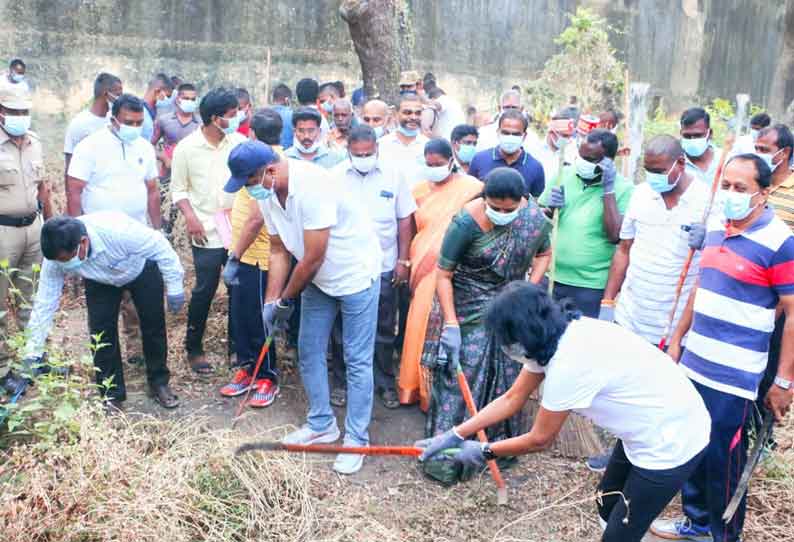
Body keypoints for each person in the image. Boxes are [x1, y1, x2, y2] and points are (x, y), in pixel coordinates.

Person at [417, 282, 711, 542]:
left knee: (620, 532)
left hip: (671, 440)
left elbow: (539, 439)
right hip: (648, 426)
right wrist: (454, 434)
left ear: (523, 335)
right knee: (606, 504)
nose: (505, 347)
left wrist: (484, 451)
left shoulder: (569, 365)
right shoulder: (552, 336)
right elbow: (512, 398)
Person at [652, 154, 794, 542]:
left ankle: (723, 535)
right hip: (695, 361)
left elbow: (792, 313)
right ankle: (697, 523)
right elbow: (703, 286)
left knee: (723, 461)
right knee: (693, 445)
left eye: (740, 188)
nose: (730, 194)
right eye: (726, 186)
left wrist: (784, 380)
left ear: (763, 194)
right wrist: (678, 339)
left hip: (734, 375)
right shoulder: (718, 227)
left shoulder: (779, 242)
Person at [223, 141, 382, 475]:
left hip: (354, 276)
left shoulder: (313, 187)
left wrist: (285, 301)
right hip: (319, 282)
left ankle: (356, 438)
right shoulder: (267, 194)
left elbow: (312, 256)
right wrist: (272, 300)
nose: (250, 191)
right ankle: (322, 423)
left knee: (356, 359)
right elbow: (280, 250)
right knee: (308, 351)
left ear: (270, 170)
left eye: (250, 182)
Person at [426, 168, 551, 443]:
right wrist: (450, 324)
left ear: (523, 201)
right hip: (468, 307)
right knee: (463, 377)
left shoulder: (532, 218)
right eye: (495, 208)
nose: (503, 215)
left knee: (508, 374)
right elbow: (444, 274)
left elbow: (544, 252)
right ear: (485, 199)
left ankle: (495, 447)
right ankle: (449, 450)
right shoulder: (465, 223)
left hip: (511, 310)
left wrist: (529, 286)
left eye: (510, 210)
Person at [24, 213, 185, 409]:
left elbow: (161, 247)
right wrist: (32, 351)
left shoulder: (119, 231)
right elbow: (44, 302)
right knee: (101, 335)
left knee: (153, 325)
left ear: (83, 242)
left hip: (139, 268)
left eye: (66, 260)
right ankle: (111, 395)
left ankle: (159, 383)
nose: (63, 265)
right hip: (99, 280)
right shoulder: (55, 259)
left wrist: (175, 286)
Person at [66, 94, 161, 366]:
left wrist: (157, 231)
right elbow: (74, 191)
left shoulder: (143, 147)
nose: (135, 127)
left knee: (141, 304)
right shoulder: (90, 147)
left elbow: (152, 191)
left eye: (139, 122)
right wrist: (76, 237)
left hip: (137, 238)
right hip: (99, 241)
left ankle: (137, 348)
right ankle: (109, 378)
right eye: (129, 122)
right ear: (113, 120)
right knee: (103, 311)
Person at [331, 125, 417, 409]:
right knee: (343, 328)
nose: (363, 158)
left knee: (383, 327)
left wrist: (403, 261)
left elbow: (405, 219)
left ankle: (383, 382)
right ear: (349, 151)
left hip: (383, 264)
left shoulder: (394, 176)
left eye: (368, 153)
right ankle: (342, 382)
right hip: (347, 266)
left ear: (377, 150)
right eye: (358, 154)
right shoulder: (336, 177)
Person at [599, 135, 712, 345]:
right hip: (628, 320)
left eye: (659, 172)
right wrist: (607, 302)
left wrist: (710, 243)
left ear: (680, 163)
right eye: (648, 170)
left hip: (673, 329)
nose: (652, 177)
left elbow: (715, 264)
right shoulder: (641, 194)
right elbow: (624, 249)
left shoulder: (708, 202)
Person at [398, 139, 483, 408]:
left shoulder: (472, 188)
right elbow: (411, 227)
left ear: (451, 161)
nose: (433, 168)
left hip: (455, 267)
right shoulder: (418, 190)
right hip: (421, 266)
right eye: (429, 164)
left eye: (438, 164)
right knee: (417, 325)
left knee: (445, 328)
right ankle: (413, 387)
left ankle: (439, 395)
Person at [171, 87, 247, 374]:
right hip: (204, 229)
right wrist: (190, 218)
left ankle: (236, 349)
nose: (237, 118)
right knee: (205, 288)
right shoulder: (187, 149)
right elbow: (179, 190)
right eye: (231, 114)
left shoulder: (238, 143)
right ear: (215, 118)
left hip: (236, 228)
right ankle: (194, 348)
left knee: (237, 288)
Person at [538, 129, 633, 317]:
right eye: (581, 156)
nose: (583, 163)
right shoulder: (562, 174)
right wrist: (549, 208)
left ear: (608, 162)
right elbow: (538, 218)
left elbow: (615, 234)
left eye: (590, 159)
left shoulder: (625, 189)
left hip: (590, 286)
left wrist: (608, 190)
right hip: (551, 277)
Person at [219, 140, 279, 408]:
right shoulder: (251, 180)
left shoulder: (269, 183)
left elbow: (255, 221)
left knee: (259, 320)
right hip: (241, 255)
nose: (245, 184)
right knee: (240, 318)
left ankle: (266, 376)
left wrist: (234, 257)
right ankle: (246, 369)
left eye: (247, 179)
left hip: (259, 258)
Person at [0, 83, 51, 376]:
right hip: (2, 233)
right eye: (13, 111)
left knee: (31, 299)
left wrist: (53, 225)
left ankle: (34, 358)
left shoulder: (35, 142)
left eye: (24, 111)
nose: (20, 116)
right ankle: (3, 369)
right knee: (0, 305)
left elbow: (42, 187)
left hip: (33, 229)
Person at [468, 109, 545, 198]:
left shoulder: (535, 167)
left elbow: (536, 203)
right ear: (498, 132)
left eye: (516, 134)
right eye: (506, 133)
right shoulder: (479, 159)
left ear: (524, 136)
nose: (510, 137)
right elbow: (470, 194)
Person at [63, 73, 122, 188]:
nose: (121, 100)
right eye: (118, 95)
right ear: (106, 94)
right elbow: (70, 168)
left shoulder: (115, 121)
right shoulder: (79, 124)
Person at [151, 82, 201, 183]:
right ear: (178, 99)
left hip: (192, 177)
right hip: (167, 176)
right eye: (186, 98)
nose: (190, 101)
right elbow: (149, 145)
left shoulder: (201, 124)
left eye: (193, 99)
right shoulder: (164, 120)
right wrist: (164, 157)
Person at [378, 93, 429, 187]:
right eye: (407, 113)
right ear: (395, 114)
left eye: (418, 113)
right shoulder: (381, 145)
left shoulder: (429, 146)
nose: (413, 117)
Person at [474, 89, 540, 153]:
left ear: (521, 109)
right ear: (499, 109)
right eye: (507, 107)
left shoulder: (532, 138)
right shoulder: (484, 134)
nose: (510, 111)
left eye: (514, 107)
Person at [533, 106, 580, 183]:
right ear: (552, 131)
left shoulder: (574, 156)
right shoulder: (534, 150)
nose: (569, 140)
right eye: (564, 135)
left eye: (572, 136)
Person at [680, 107, 723, 184]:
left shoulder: (724, 160)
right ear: (681, 134)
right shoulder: (675, 164)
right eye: (687, 136)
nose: (692, 140)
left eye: (698, 135)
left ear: (710, 134)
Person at [271, 83, 294, 149]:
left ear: (273, 99)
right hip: (287, 156)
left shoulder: (262, 114)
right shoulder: (292, 115)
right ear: (287, 100)